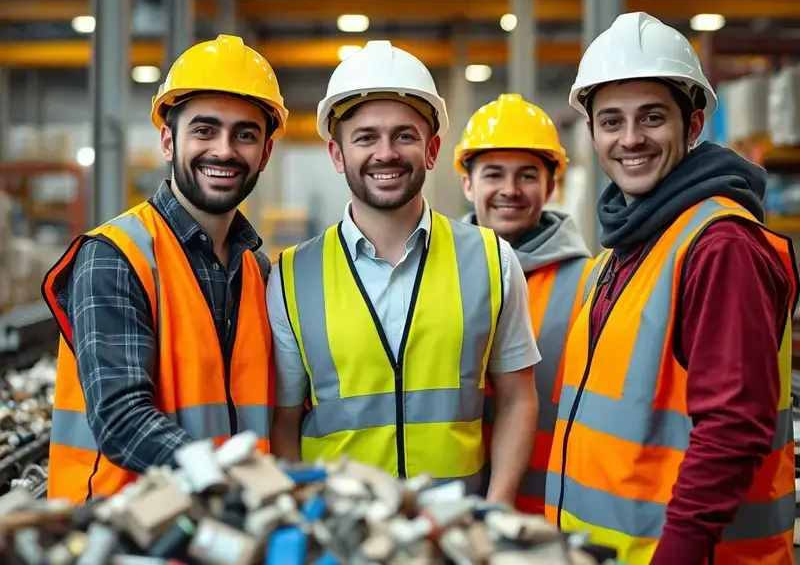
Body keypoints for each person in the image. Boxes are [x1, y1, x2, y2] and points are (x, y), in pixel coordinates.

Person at [544, 12, 799, 565]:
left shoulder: (720, 244)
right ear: (590, 132)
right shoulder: (627, 245)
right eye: (611, 121)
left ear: (694, 124)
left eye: (652, 118)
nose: (630, 139)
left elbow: (733, 430)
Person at [267, 40, 540, 502]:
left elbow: (518, 399)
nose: (386, 153)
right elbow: (285, 421)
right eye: (365, 137)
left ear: (432, 150)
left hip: (454, 533)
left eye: (405, 135)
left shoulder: (493, 260)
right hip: (341, 533)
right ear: (338, 155)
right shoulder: (292, 276)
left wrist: (495, 508)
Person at [42, 34, 287, 503]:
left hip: (228, 527)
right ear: (168, 140)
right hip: (128, 532)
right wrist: (230, 481)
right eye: (204, 130)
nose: (224, 150)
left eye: (245, 134)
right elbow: (122, 420)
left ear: (266, 153)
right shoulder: (116, 256)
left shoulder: (257, 269)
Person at [454, 93, 592, 514]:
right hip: (452, 511)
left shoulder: (590, 283)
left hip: (556, 511)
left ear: (551, 185)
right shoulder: (434, 277)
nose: (510, 191)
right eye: (494, 174)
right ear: (468, 183)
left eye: (527, 176)